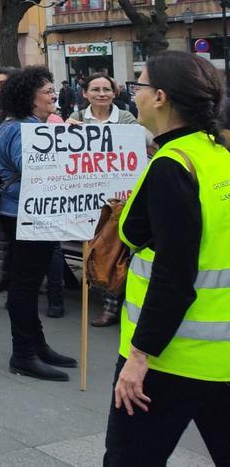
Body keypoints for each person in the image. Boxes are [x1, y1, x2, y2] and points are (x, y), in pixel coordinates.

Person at [103, 51, 230, 466]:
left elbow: (174, 276)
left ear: (160, 97)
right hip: (220, 358)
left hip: (168, 357)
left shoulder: (173, 166)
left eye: (137, 85)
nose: (131, 94)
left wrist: (139, 357)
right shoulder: (218, 156)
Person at [0, 66, 77, 380]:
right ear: (30, 97)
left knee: (27, 283)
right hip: (24, 216)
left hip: (32, 214)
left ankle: (37, 346)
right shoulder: (22, 129)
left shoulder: (27, 125)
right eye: (47, 91)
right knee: (25, 285)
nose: (54, 95)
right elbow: (35, 172)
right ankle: (23, 354)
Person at [66, 73, 141, 327]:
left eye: (106, 89)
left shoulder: (127, 119)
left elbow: (139, 148)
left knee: (117, 251)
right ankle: (107, 304)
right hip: (90, 198)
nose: (101, 93)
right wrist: (65, 132)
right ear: (85, 93)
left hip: (120, 199)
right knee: (98, 250)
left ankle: (118, 306)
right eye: (95, 89)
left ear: (114, 93)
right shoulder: (75, 119)